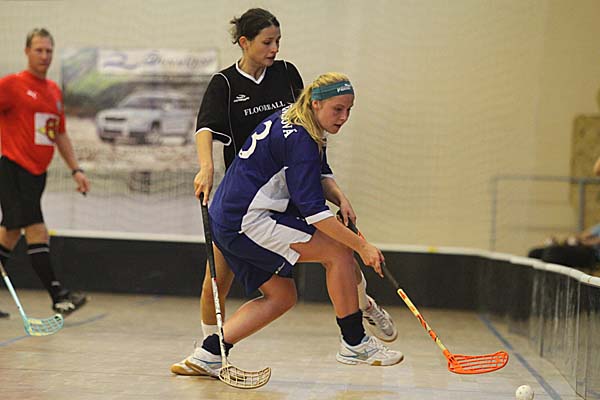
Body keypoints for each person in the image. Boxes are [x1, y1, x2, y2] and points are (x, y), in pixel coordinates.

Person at [171, 8, 397, 375]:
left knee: (282, 295)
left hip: (240, 207)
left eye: (348, 110)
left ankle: (209, 354)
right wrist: (364, 246)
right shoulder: (245, 96)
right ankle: (354, 342)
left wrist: (340, 197)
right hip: (248, 212)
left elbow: (315, 172)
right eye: (338, 109)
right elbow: (314, 211)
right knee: (339, 252)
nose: (343, 117)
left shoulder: (296, 109)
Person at [0, 28, 90, 316]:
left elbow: (59, 134)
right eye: (38, 50)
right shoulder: (12, 85)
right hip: (13, 169)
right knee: (37, 229)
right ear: (27, 51)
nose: (44, 56)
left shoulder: (53, 91)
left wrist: (76, 169)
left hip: (37, 174)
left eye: (49, 50)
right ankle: (58, 296)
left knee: (9, 234)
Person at [528, 224, 600, 271]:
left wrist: (581, 241)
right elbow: (584, 236)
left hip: (589, 258)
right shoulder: (551, 251)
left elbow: (593, 239)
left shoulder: (548, 259)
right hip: (588, 253)